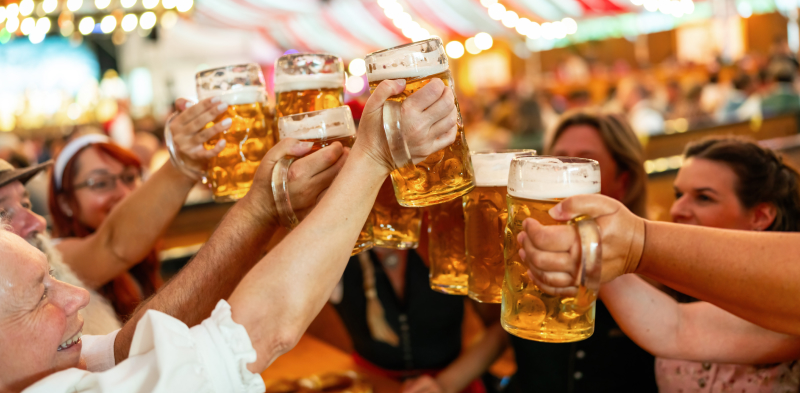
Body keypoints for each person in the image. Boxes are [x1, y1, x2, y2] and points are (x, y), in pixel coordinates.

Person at [0, 77, 459, 392]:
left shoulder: (45, 366)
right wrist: (374, 156)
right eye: (41, 294)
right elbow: (256, 334)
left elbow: (130, 346)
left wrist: (263, 208)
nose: (76, 296)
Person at [601, 138, 800, 391]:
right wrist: (595, 249)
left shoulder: (787, 301)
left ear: (760, 216)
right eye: (678, 194)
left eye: (704, 198)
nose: (677, 209)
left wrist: (630, 242)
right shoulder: (674, 290)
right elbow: (674, 324)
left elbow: (678, 327)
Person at [45, 98, 235, 323]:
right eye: (101, 183)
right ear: (66, 203)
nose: (124, 194)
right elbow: (114, 245)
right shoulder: (57, 260)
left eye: (128, 178)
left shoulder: (139, 262)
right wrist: (184, 164)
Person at [508, 111, 656, 392]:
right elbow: (495, 333)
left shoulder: (656, 277)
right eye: (558, 159)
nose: (564, 173)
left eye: (582, 163)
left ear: (622, 183)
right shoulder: (526, 261)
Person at [331, 244, 508, 393]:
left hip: (455, 382)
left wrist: (445, 384)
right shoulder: (337, 249)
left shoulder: (448, 236)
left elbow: (499, 327)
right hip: (370, 385)